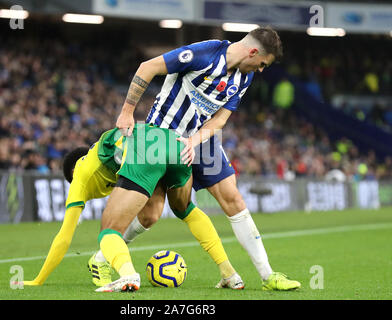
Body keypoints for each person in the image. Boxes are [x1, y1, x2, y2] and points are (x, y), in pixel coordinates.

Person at [113, 26, 300, 290]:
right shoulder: (204, 53)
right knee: (151, 214)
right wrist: (127, 112)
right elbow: (148, 66)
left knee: (233, 197)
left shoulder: (243, 79)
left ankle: (268, 276)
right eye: (261, 64)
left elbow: (221, 119)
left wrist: (194, 141)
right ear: (253, 51)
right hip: (163, 134)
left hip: (200, 138)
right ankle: (105, 254)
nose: (260, 70)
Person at [23, 124, 244, 291]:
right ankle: (230, 274)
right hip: (175, 143)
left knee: (109, 230)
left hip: (144, 152)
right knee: (177, 210)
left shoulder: (79, 174)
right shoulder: (104, 151)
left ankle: (128, 274)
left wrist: (38, 280)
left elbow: (64, 237)